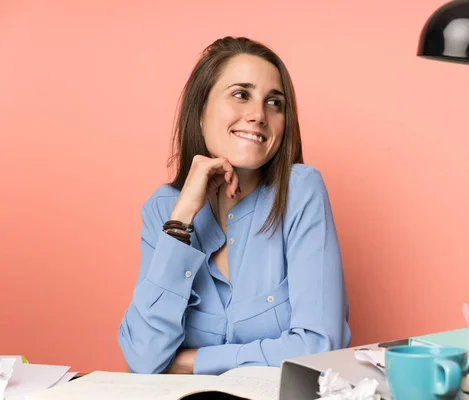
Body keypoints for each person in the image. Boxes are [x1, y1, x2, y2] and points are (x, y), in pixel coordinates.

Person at [117, 36, 351, 375]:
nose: (258, 114)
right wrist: (180, 222)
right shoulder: (163, 208)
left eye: (275, 103)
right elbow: (142, 358)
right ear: (200, 113)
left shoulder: (301, 190)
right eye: (241, 95)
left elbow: (319, 347)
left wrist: (190, 361)